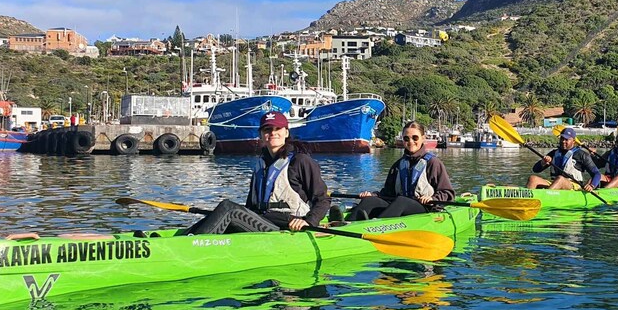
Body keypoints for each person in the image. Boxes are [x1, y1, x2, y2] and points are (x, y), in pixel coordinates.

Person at [186, 111, 331, 234]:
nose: (273, 133)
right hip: (262, 220)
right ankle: (185, 236)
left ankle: (191, 244)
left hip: (288, 226)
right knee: (221, 213)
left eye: (277, 129)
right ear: (261, 135)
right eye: (267, 130)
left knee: (228, 208)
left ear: (286, 132)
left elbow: (323, 199)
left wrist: (309, 221)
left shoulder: (300, 161)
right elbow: (250, 205)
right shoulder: (261, 165)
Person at [346, 121, 455, 220]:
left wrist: (432, 198)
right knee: (370, 201)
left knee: (402, 201)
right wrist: (373, 195)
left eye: (415, 138)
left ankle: (377, 225)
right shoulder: (398, 165)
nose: (410, 141)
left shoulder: (433, 163)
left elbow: (448, 193)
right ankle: (345, 225)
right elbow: (387, 193)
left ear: (423, 138)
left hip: (424, 210)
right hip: (399, 207)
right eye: (406, 138)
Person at [526, 127, 601, 191]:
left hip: (574, 186)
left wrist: (591, 185)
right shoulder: (554, 153)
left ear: (573, 141)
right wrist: (543, 163)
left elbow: (596, 173)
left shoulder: (582, 155)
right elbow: (535, 169)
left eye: (566, 139)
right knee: (533, 179)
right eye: (562, 138)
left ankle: (544, 198)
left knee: (560, 179)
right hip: (553, 183)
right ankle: (526, 201)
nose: (563, 141)